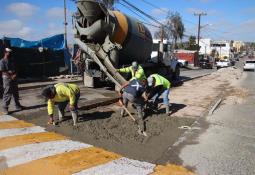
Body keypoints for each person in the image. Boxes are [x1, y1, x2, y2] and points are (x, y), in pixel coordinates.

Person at [0, 48, 23, 114]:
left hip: (14, 78)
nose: (9, 54)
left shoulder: (11, 60)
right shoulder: (2, 61)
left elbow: (15, 69)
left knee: (16, 92)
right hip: (7, 79)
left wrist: (15, 74)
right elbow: (3, 71)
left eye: (10, 53)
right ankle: (5, 108)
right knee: (7, 93)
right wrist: (10, 76)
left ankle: (17, 105)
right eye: (8, 52)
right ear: (5, 52)